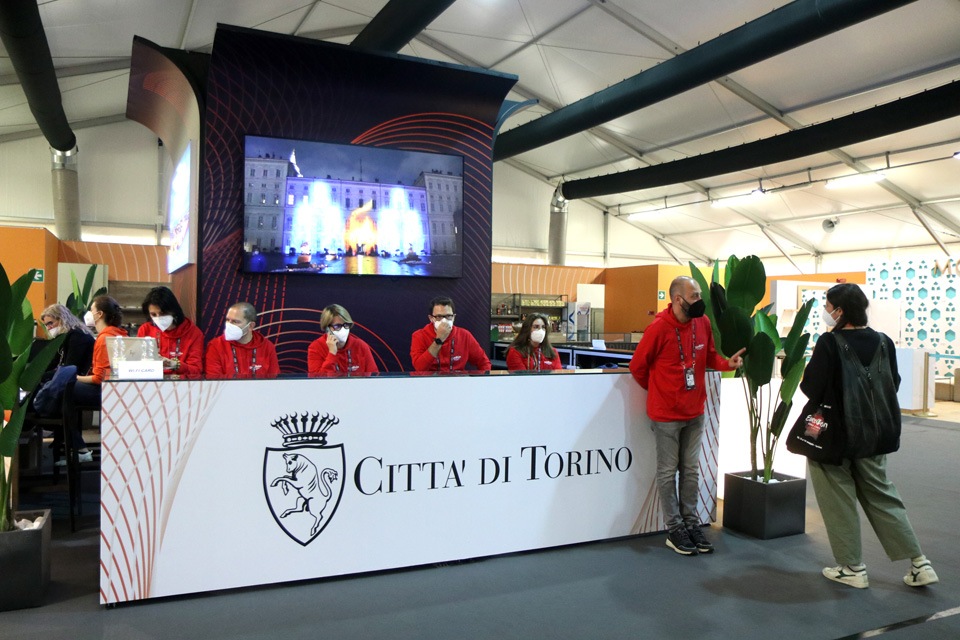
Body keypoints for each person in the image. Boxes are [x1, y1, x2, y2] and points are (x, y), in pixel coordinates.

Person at [800, 283, 938, 589]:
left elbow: (811, 387)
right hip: (876, 433)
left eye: (828, 306)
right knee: (882, 494)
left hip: (836, 436)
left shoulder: (829, 342)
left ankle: (852, 567)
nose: (826, 311)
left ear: (840, 311)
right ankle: (919, 563)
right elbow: (893, 383)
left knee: (838, 497)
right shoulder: (884, 341)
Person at [629, 275, 744, 556]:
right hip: (666, 416)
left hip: (695, 411)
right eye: (695, 296)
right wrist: (660, 391)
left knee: (691, 470)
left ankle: (691, 523)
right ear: (678, 299)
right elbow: (637, 367)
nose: (700, 300)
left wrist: (726, 364)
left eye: (699, 295)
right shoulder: (658, 328)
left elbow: (710, 357)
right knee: (668, 471)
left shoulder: (702, 323)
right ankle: (675, 528)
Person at [68, 296, 127, 463]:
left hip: (103, 391)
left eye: (91, 310)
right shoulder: (119, 334)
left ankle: (78, 447)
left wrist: (75, 377)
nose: (89, 314)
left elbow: (99, 378)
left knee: (65, 388)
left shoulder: (103, 338)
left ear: (99, 314)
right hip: (117, 390)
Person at [410, 296, 491, 372]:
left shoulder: (464, 335)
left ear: (454, 317)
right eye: (439, 317)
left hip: (457, 380)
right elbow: (419, 367)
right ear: (431, 318)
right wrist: (439, 340)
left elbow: (484, 362)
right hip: (430, 380)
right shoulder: (419, 336)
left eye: (448, 316)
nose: (444, 321)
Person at [137, 286, 204, 378]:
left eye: (162, 313)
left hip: (181, 384)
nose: (158, 318)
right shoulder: (145, 330)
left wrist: (174, 364)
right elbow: (138, 364)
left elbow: (196, 371)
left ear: (174, 310)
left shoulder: (193, 333)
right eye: (153, 314)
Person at [205, 302, 280, 378]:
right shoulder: (216, 345)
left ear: (250, 326)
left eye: (235, 321)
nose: (229, 325)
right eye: (227, 320)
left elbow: (275, 380)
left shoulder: (267, 346)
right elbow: (214, 381)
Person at [307, 304, 379, 375]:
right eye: (337, 326)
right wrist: (332, 353)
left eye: (346, 325)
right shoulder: (316, 347)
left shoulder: (361, 346)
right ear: (327, 329)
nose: (343, 329)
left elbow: (374, 377)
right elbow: (317, 380)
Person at [39, 304, 95, 373]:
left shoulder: (77, 335)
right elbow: (53, 362)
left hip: (81, 376)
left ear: (62, 319)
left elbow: (70, 366)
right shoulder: (64, 336)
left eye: (50, 323)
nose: (48, 328)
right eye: (46, 325)